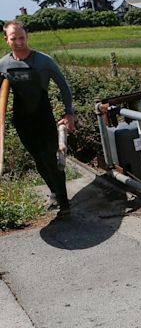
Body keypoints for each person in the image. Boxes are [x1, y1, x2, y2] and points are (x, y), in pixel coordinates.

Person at [0, 20, 75, 216]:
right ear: (6, 39)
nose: (18, 42)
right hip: (21, 119)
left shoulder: (44, 61)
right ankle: (54, 193)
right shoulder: (4, 64)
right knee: (38, 160)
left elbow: (64, 87)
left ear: (27, 37)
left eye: (22, 37)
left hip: (43, 115)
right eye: (13, 38)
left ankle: (64, 202)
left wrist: (69, 113)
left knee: (50, 158)